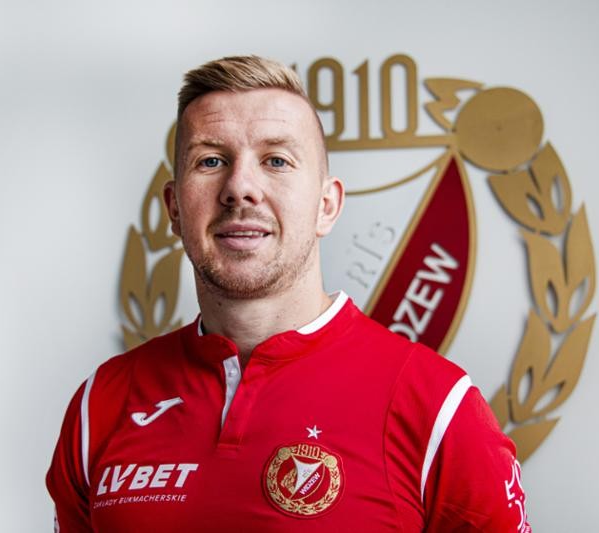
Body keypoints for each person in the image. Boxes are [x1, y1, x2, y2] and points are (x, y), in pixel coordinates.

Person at [47, 55, 531, 532]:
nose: (240, 188)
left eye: (276, 160)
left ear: (327, 205)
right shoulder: (100, 404)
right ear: (174, 209)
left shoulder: (437, 406)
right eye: (211, 160)